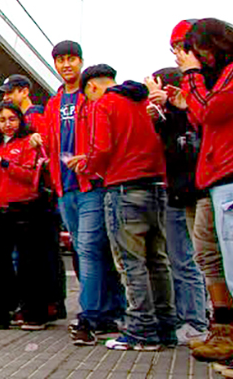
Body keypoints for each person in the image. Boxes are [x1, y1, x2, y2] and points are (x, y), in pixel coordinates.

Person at [33, 40, 125, 346]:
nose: (66, 65)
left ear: (81, 61)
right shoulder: (53, 103)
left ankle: (91, 315)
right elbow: (50, 142)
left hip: (92, 186)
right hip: (65, 188)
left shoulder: (93, 95)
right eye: (60, 60)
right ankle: (111, 311)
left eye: (71, 59)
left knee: (89, 249)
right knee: (89, 251)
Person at [77, 64, 173, 350]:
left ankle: (141, 330)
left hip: (123, 186)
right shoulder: (141, 100)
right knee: (157, 260)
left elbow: (102, 148)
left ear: (92, 87)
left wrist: (87, 166)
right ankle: (165, 327)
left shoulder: (104, 103)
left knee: (131, 262)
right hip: (155, 185)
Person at [177, 18, 233, 378]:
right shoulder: (227, 75)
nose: (192, 57)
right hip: (225, 180)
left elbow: (210, 110)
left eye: (194, 50)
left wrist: (191, 76)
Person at [144, 64, 212, 346]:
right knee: (183, 259)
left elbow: (190, 140)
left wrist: (171, 109)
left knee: (189, 260)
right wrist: (159, 118)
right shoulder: (169, 118)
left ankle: (195, 322)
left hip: (193, 192)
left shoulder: (192, 113)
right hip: (175, 191)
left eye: (157, 87)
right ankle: (196, 316)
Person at [0, 101, 51, 330]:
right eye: (2, 120)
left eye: (12, 119)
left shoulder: (28, 142)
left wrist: (5, 163)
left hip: (24, 207)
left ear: (20, 119)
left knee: (29, 261)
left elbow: (30, 176)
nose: (7, 124)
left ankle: (33, 313)